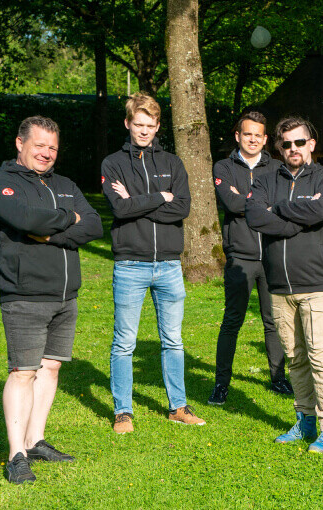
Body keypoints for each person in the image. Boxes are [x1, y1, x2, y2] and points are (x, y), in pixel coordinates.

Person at [0, 116, 102, 483]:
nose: (47, 153)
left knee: (50, 368)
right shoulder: (1, 184)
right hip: (24, 294)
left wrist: (53, 234)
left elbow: (95, 225)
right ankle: (16, 455)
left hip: (66, 294)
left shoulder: (65, 184)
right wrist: (70, 218)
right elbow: (27, 220)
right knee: (23, 372)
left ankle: (35, 441)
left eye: (52, 147)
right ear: (20, 144)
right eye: (39, 145)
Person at [102, 93, 202, 434]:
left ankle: (178, 407)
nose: (144, 131)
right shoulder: (113, 164)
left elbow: (183, 207)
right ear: (128, 123)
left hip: (169, 265)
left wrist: (136, 202)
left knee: (173, 340)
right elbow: (119, 209)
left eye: (150, 125)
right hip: (130, 264)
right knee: (124, 343)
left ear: (158, 126)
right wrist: (160, 197)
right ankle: (123, 412)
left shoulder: (173, 163)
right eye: (138, 124)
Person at [246, 116, 323, 453]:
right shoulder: (265, 180)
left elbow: (321, 210)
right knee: (296, 358)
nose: (293, 149)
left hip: (319, 285)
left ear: (311, 144)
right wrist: (295, 219)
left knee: (321, 358)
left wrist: (278, 209)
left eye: (299, 142)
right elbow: (253, 215)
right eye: (286, 144)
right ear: (279, 147)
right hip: (280, 287)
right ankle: (305, 419)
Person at [208, 110, 291, 406]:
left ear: (265, 139)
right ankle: (221, 384)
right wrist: (262, 204)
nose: (253, 139)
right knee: (232, 321)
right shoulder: (223, 166)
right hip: (240, 256)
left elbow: (283, 204)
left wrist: (249, 200)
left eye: (258, 135)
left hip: (272, 255)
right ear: (238, 136)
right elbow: (231, 203)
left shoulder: (278, 167)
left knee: (274, 321)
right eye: (247, 134)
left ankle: (279, 378)